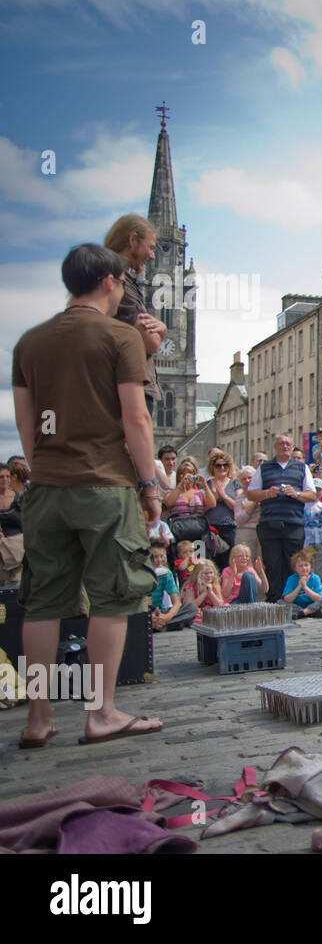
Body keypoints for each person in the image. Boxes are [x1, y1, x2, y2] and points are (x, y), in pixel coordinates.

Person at [12, 243, 165, 747]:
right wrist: (149, 484)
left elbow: (26, 424)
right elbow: (136, 418)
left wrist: (45, 470)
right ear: (109, 281)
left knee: (41, 605)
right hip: (105, 485)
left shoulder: (29, 343)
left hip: (48, 486)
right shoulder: (120, 337)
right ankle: (100, 713)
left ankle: (38, 720)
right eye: (122, 281)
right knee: (113, 597)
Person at [104, 215, 166, 416]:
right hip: (131, 384)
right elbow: (151, 343)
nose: (152, 256)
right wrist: (162, 330)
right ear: (132, 240)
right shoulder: (120, 284)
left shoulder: (121, 280)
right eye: (150, 247)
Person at [247, 433, 318, 603]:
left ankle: (290, 600)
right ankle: (274, 599)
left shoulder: (302, 467)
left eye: (288, 444)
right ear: (275, 447)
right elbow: (250, 494)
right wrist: (267, 493)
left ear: (293, 447)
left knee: (292, 563)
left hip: (293, 523)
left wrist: (297, 493)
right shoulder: (264, 468)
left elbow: (312, 495)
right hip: (269, 523)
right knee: (272, 564)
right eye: (281, 444)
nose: (284, 447)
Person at [148, 539, 197, 632]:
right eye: (155, 557)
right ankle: (159, 625)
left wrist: (167, 617)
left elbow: (177, 602)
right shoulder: (140, 572)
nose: (159, 560)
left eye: (161, 556)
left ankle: (158, 624)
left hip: (161, 612)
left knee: (191, 609)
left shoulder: (166, 572)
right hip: (145, 613)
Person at [205, 450, 239, 570]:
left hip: (229, 527)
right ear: (212, 467)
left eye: (225, 465)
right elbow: (201, 507)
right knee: (211, 562)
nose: (222, 468)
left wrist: (224, 496)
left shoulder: (235, 484)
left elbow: (238, 507)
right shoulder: (206, 485)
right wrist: (214, 499)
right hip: (210, 528)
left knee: (228, 562)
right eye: (218, 465)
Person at [282, 550, 322, 618]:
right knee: (280, 602)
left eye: (306, 565)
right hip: (296, 605)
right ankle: (310, 613)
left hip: (311, 604)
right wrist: (299, 587)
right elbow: (287, 599)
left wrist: (305, 587)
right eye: (300, 566)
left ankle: (303, 613)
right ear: (295, 568)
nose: (304, 568)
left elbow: (318, 598)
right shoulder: (291, 579)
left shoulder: (315, 578)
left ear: (310, 566)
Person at [0, 465, 23, 585]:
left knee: (17, 589)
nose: (4, 479)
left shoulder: (19, 498)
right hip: (0, 552)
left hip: (18, 551)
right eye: (1, 476)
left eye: (7, 476)